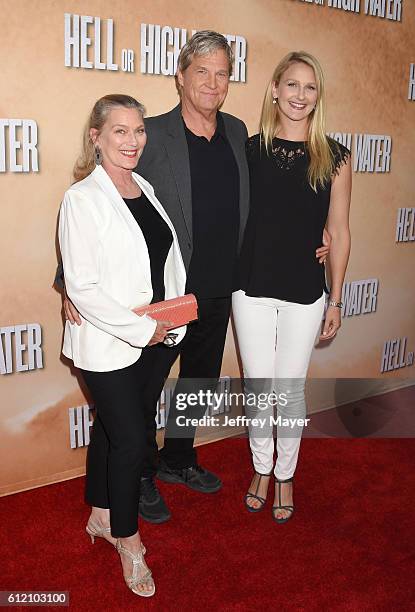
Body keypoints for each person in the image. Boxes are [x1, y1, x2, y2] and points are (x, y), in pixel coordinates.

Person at [63, 32, 329, 524]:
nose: (212, 82)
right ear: (180, 76)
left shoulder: (238, 132)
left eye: (222, 72)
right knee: (144, 391)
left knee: (199, 382)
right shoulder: (151, 133)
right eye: (201, 71)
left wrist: (319, 238)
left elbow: (280, 200)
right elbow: (106, 195)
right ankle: (139, 474)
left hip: (223, 285)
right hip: (165, 296)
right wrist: (68, 285)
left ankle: (179, 459)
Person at [58, 94, 188, 596]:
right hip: (110, 342)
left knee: (113, 433)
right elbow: (83, 288)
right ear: (96, 137)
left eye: (138, 130)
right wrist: (143, 329)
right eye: (120, 131)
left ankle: (98, 513)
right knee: (133, 440)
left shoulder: (146, 186)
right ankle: (128, 541)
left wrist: (171, 318)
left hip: (157, 336)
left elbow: (166, 258)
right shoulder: (81, 199)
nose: (133, 140)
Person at [232, 51, 351, 523]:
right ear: (276, 89)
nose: (301, 96)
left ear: (318, 96)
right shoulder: (251, 149)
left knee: (290, 389)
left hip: (305, 288)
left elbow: (339, 231)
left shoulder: (336, 156)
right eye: (293, 85)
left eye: (311, 87)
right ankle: (261, 467)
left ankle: (285, 474)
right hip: (251, 285)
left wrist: (337, 297)